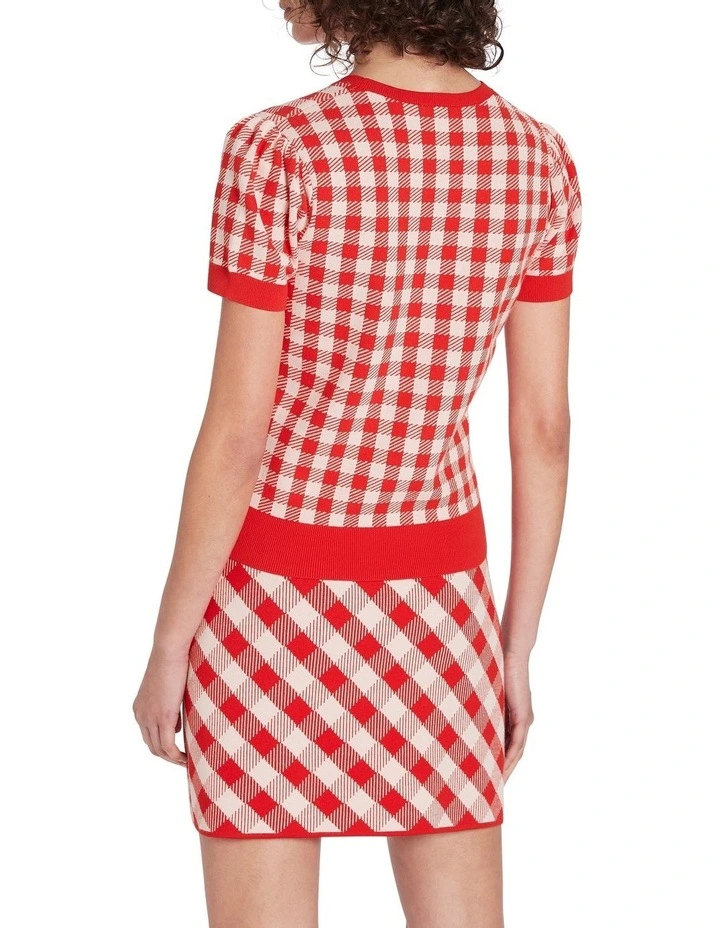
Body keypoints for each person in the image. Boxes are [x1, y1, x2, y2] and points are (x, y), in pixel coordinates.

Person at [132, 1, 582, 925]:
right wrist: (514, 648)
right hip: (442, 604)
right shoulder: (538, 158)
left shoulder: (278, 149)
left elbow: (238, 434)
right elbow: (543, 428)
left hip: (265, 601)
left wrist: (170, 644)